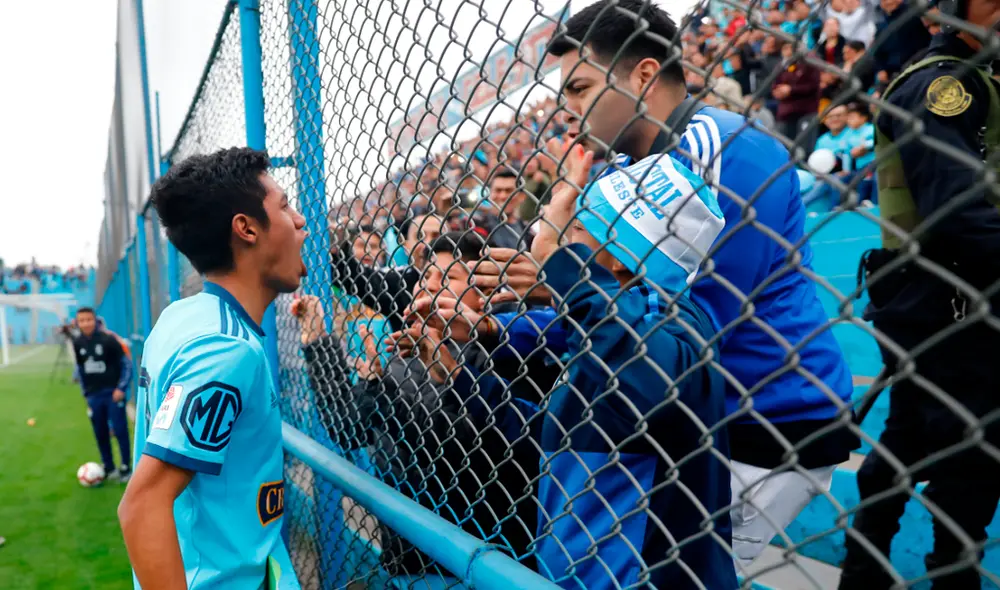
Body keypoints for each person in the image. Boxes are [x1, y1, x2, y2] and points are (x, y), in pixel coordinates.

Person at [498, 0, 858, 571]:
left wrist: (569, 277)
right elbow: (622, 315)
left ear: (643, 74)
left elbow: (682, 333)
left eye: (581, 88)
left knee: (684, 570)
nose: (566, 110)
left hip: (767, 417)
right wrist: (512, 317)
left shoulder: (729, 148)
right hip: (689, 414)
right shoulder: (614, 175)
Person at [412, 138, 735, 589]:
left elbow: (646, 377)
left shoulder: (680, 330)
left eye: (581, 230)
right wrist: (462, 373)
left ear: (623, 255)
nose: (564, 240)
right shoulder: (611, 327)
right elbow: (556, 436)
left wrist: (563, 265)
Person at [841, 2, 1000, 585]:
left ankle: (864, 572)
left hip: (952, 294)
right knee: (968, 459)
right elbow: (958, 214)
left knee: (909, 440)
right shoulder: (942, 87)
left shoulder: (979, 77)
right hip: (944, 294)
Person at [295, 231, 540, 582]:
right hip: (406, 561)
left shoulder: (500, 361)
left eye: (450, 277)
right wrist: (318, 343)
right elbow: (347, 429)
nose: (432, 285)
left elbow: (459, 452)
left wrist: (386, 398)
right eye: (427, 276)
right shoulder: (402, 354)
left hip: (478, 566)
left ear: (484, 297)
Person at [118, 148, 304, 589]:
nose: (300, 221)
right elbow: (142, 505)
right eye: (284, 206)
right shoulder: (225, 349)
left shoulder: (182, 316)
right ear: (246, 229)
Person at [71, 307, 133, 482]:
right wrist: (86, 395)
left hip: (112, 393)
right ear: (77, 323)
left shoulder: (108, 339)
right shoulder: (77, 343)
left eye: (88, 320)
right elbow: (81, 369)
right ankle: (108, 467)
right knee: (100, 432)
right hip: (94, 396)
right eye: (81, 320)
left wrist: (121, 388)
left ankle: (125, 467)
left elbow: (126, 364)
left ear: (95, 320)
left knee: (120, 429)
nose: (85, 323)